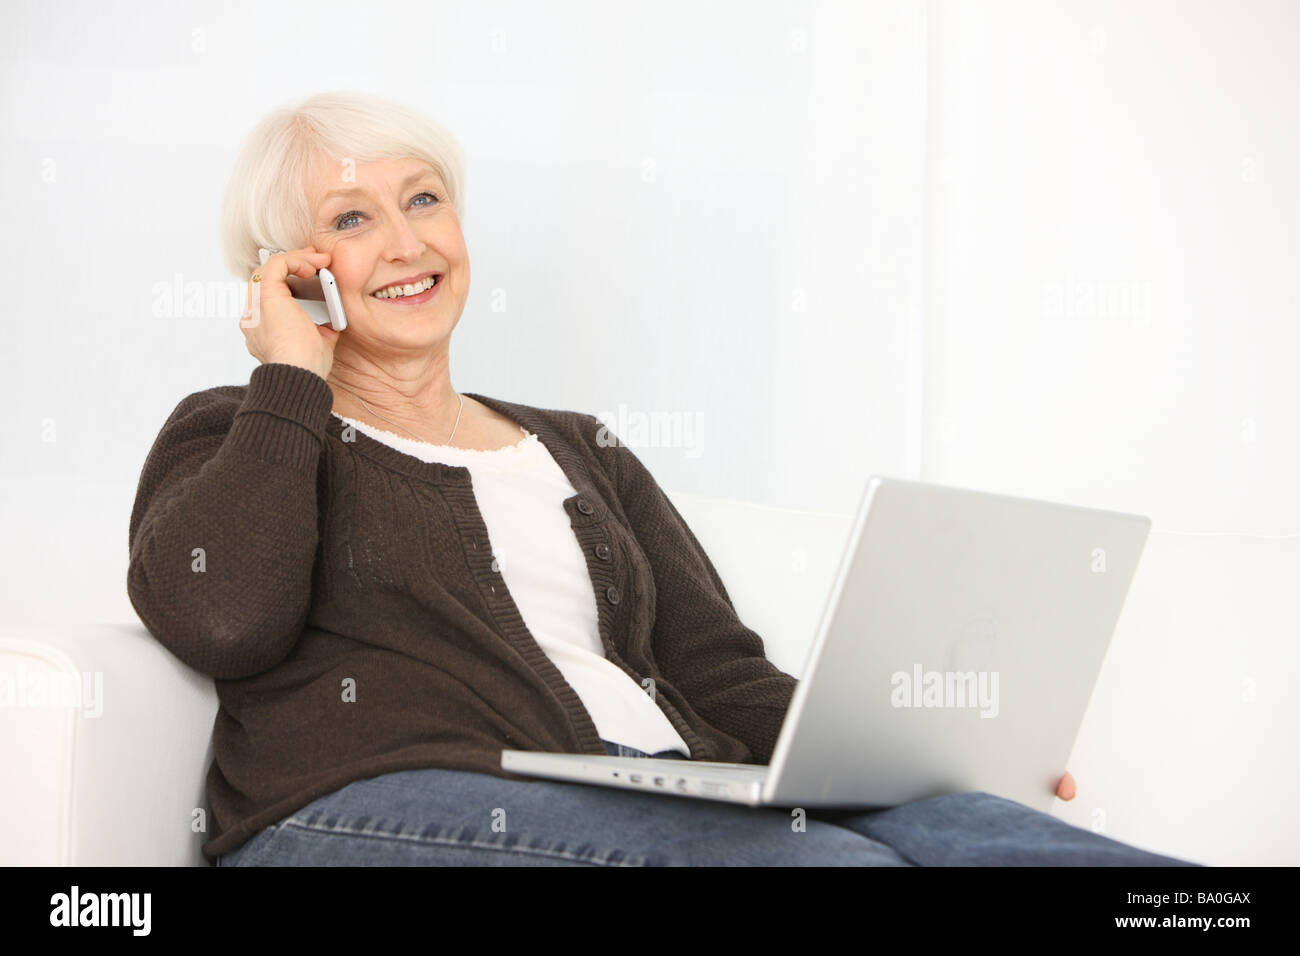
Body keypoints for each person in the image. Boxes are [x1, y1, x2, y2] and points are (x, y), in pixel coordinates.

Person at [127, 90, 1196, 866]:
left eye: (425, 199)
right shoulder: (240, 428)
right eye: (353, 219)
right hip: (362, 810)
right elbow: (225, 618)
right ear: (290, 270)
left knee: (1029, 850)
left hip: (642, 790)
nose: (409, 241)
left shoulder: (578, 445)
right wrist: (289, 379)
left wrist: (934, 767)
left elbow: (720, 672)